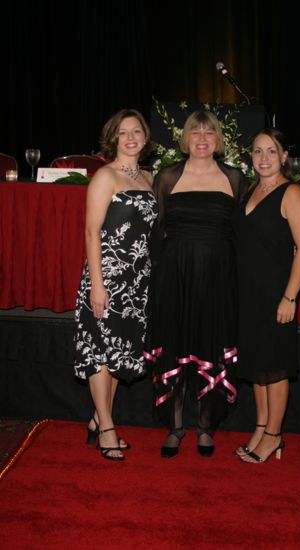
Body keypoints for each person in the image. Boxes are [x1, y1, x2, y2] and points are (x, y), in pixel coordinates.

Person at [144, 110, 247, 458]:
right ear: (185, 139)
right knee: (176, 343)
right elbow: (156, 232)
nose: (202, 138)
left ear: (219, 140)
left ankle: (206, 427)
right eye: (195, 132)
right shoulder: (167, 177)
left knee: (209, 345)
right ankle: (175, 427)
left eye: (209, 133)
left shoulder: (234, 178)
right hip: (174, 277)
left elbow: (241, 236)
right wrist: (157, 281)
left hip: (218, 279)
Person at [74, 109, 158, 461]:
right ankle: (107, 427)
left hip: (137, 281)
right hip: (106, 276)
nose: (130, 137)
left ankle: (98, 418)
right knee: (100, 352)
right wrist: (97, 285)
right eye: (123, 132)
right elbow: (92, 232)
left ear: (145, 137)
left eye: (136, 131)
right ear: (114, 138)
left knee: (118, 353)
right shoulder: (105, 177)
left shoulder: (150, 178)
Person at [233, 128, 300, 463]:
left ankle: (275, 436)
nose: (263, 158)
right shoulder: (250, 191)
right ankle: (261, 427)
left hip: (276, 294)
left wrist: (290, 297)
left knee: (276, 368)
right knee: (257, 367)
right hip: (248, 294)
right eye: (257, 151)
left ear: (283, 156)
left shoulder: (291, 193)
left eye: (271, 151)